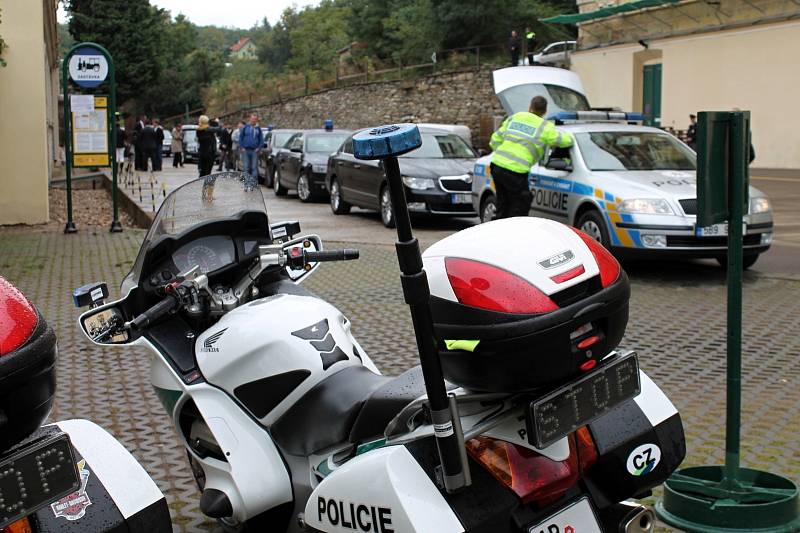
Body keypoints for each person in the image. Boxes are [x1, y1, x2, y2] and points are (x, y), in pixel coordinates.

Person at [489, 95, 574, 219]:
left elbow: (494, 140)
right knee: (521, 205)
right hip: (516, 171)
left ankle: (498, 231)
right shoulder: (545, 127)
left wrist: (503, 154)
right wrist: (571, 137)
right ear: (545, 111)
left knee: (503, 204)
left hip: (497, 165)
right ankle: (513, 233)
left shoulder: (516, 117)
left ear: (530, 107)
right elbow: (564, 141)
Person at [238, 113, 263, 185]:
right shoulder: (246, 127)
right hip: (245, 150)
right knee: (246, 168)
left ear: (256, 120)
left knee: (254, 168)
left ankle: (254, 184)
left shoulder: (258, 129)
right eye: (252, 119)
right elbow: (241, 138)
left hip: (254, 151)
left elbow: (261, 140)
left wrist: (259, 148)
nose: (253, 120)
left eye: (255, 119)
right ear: (250, 119)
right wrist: (242, 147)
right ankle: (246, 183)